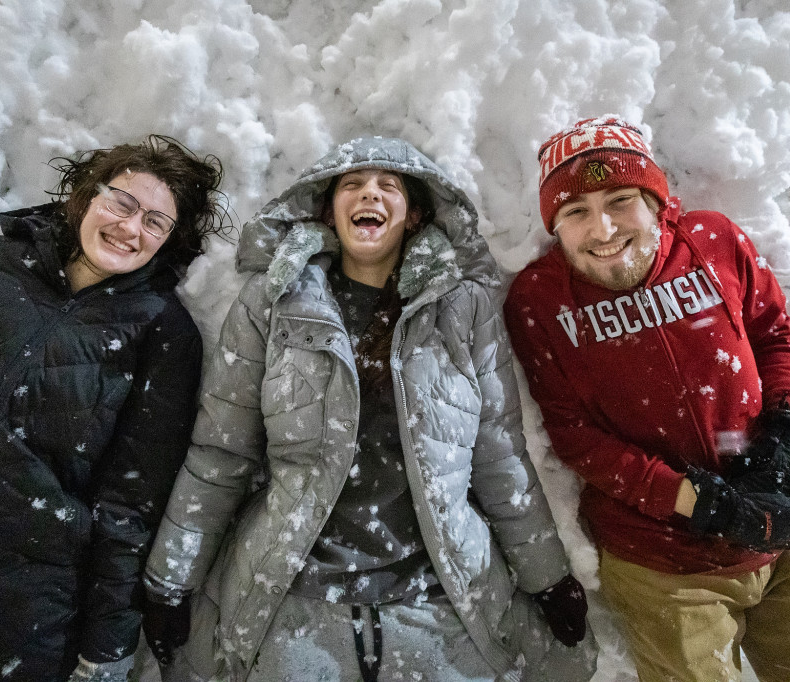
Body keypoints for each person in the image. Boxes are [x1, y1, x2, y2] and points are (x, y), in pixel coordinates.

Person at [142, 136, 598, 681]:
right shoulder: (273, 301)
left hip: (438, 598)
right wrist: (172, 577)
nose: (370, 194)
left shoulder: (463, 307)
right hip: (297, 599)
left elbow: (499, 458)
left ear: (413, 216)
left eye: (389, 186)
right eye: (352, 185)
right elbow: (222, 452)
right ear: (328, 210)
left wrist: (547, 578)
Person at [503, 115, 790, 681]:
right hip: (662, 565)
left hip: (777, 533)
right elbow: (575, 437)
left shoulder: (715, 241)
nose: (602, 229)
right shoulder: (540, 301)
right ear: (555, 225)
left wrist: (789, 433)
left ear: (655, 200)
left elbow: (775, 336)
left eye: (620, 200)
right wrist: (699, 503)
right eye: (576, 211)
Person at [0, 135, 228, 681]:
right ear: (85, 196)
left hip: (14, 627)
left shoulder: (163, 334)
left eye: (155, 221)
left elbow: (130, 507)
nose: (130, 227)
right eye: (122, 202)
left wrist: (106, 648)